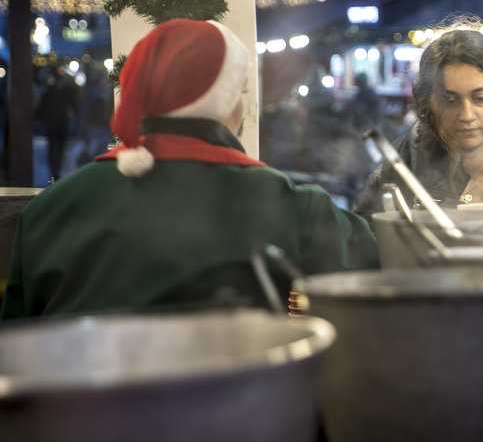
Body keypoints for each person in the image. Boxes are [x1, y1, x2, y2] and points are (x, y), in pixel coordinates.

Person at [2, 19, 379, 321]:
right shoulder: (288, 202)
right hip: (240, 413)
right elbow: (388, 264)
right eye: (240, 90)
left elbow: (15, 347)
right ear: (224, 103)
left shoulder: (49, 209)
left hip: (75, 415)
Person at [353, 27, 483, 216]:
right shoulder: (404, 162)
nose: (466, 115)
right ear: (428, 102)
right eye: (449, 101)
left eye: (480, 99)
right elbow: (361, 240)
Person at [36, 62, 79, 180]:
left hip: (60, 122)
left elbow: (74, 104)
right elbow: (44, 104)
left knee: (59, 147)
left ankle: (56, 171)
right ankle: (54, 171)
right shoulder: (53, 87)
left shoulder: (64, 87)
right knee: (54, 147)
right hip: (54, 122)